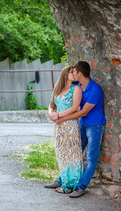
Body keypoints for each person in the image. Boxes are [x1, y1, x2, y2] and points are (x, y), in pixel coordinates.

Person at [45, 61, 106, 198]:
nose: (72, 73)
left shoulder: (95, 89)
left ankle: (81, 187)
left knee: (91, 158)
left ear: (79, 73)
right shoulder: (77, 86)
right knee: (74, 153)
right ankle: (63, 180)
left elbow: (83, 111)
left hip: (94, 125)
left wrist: (61, 117)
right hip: (81, 124)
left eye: (74, 72)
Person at [47, 65, 83, 194]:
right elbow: (51, 104)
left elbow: (75, 107)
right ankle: (65, 182)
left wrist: (59, 115)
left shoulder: (76, 88)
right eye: (71, 72)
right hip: (58, 126)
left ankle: (70, 185)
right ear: (65, 74)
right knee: (62, 154)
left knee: (72, 154)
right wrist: (51, 114)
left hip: (70, 125)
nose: (74, 74)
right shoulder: (58, 88)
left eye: (74, 72)